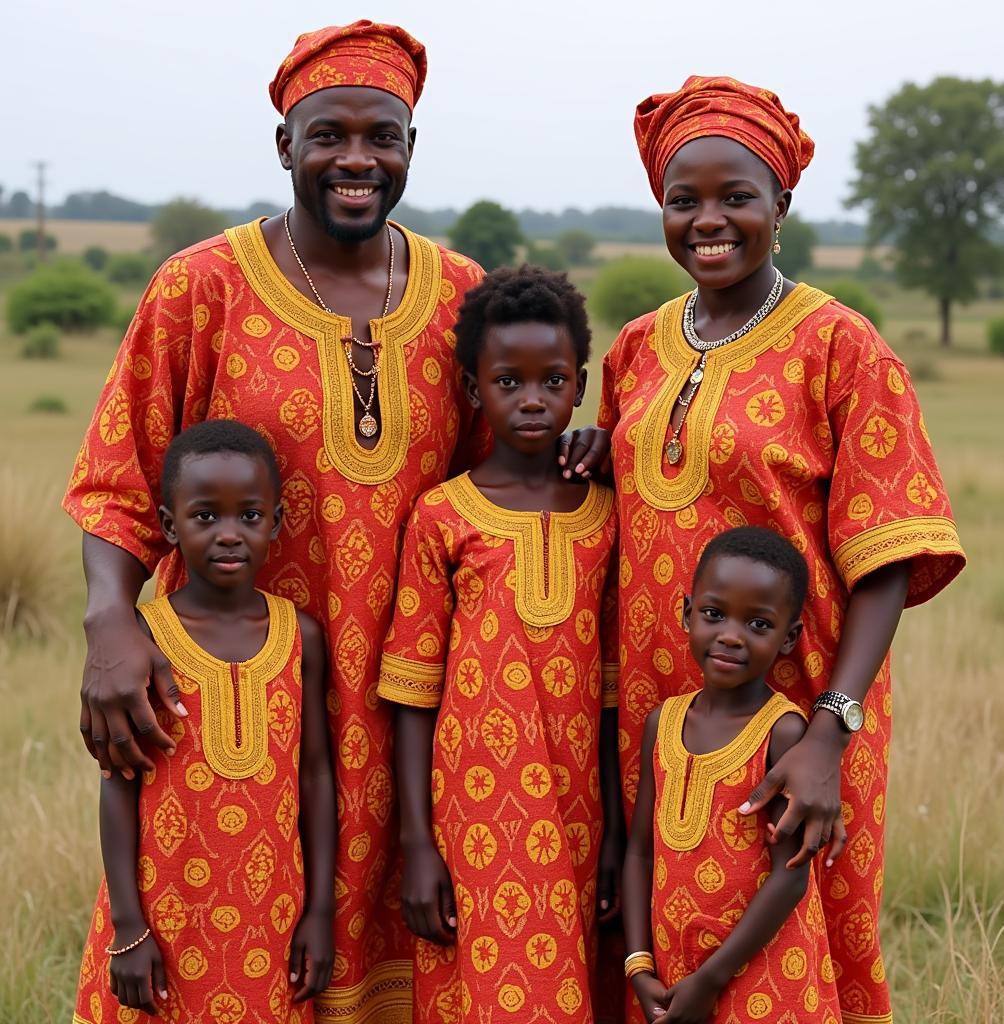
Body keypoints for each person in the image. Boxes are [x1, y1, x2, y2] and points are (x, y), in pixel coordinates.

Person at [63, 22, 608, 1020]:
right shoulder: (200, 287)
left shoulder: (460, 294)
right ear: (285, 146)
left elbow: (506, 464)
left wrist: (589, 449)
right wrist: (109, 625)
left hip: (415, 714)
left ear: (408, 148)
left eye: (383, 137)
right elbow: (115, 480)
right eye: (328, 135)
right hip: (243, 695)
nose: (356, 159)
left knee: (411, 950)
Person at [600, 76, 966, 1024]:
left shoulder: (842, 348)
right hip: (661, 711)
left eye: (736, 198)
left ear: (783, 208)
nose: (708, 221)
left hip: (797, 717)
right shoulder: (636, 349)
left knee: (796, 953)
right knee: (658, 941)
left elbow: (886, 558)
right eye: (685, 201)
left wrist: (830, 735)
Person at [377, 267, 623, 1023]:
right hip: (472, 817)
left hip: (582, 810)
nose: (531, 399)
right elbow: (414, 694)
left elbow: (616, 690)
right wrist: (419, 844)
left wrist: (619, 830)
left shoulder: (610, 513)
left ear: (579, 386)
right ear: (472, 387)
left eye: (552, 380)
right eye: (507, 380)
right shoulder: (442, 517)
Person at [73, 420, 336, 1024]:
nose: (228, 535)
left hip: (271, 916)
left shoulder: (302, 637)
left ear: (275, 523)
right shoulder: (143, 640)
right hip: (164, 914)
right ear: (169, 526)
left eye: (248, 516)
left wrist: (320, 912)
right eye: (204, 517)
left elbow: (316, 780)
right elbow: (119, 785)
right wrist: (129, 926)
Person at [622, 527, 842, 1024]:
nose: (729, 635)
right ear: (686, 613)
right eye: (714, 614)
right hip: (675, 969)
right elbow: (640, 850)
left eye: (758, 624)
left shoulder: (783, 732)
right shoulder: (664, 721)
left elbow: (791, 876)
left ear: (789, 638)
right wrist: (639, 965)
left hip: (761, 972)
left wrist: (713, 977)